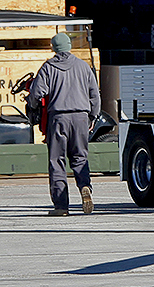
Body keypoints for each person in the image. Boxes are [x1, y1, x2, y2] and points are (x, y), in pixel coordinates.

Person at [26, 33, 102, 215]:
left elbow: (36, 93)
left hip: (58, 118)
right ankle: (85, 187)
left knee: (57, 161)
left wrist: (32, 104)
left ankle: (61, 206)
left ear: (54, 48)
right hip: (81, 118)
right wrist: (92, 117)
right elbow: (95, 96)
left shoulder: (48, 67)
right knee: (80, 157)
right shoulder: (84, 67)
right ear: (69, 46)